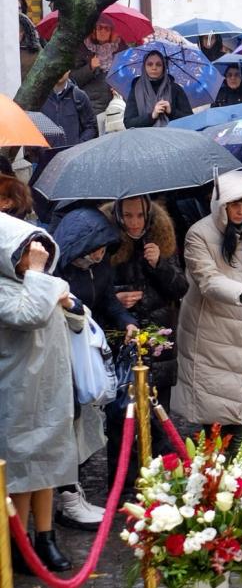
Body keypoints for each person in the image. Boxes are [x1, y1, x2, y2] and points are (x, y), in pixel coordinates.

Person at [0, 214, 84, 574]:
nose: (36, 259)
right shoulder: (9, 287)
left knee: (48, 467)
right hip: (17, 391)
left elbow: (81, 318)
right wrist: (38, 276)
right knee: (22, 470)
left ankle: (45, 538)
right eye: (28, 253)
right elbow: (28, 316)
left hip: (51, 389)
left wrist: (68, 303)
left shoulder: (42, 281)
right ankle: (19, 543)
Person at [173, 170, 242, 437]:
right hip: (209, 333)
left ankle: (236, 470)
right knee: (213, 411)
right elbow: (207, 280)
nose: (241, 211)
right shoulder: (198, 234)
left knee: (241, 409)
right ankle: (214, 471)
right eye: (235, 204)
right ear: (222, 204)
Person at [101, 195, 188, 493]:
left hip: (158, 340)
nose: (135, 222)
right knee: (120, 417)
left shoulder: (161, 237)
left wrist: (159, 264)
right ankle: (123, 482)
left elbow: (180, 287)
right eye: (128, 215)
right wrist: (117, 298)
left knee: (158, 413)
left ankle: (160, 479)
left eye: (140, 215)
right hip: (121, 341)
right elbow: (96, 291)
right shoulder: (107, 242)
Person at [49, 207, 124, 531]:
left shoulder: (100, 268)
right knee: (67, 425)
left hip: (86, 357)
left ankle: (72, 491)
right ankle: (68, 497)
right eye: (97, 247)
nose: (101, 254)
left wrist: (128, 322)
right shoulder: (61, 274)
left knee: (83, 423)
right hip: (61, 358)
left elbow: (108, 300)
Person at [124, 50, 193, 128]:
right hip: (144, 138)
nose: (154, 68)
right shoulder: (136, 90)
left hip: (172, 138)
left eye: (158, 64)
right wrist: (152, 116)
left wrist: (171, 111)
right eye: (150, 64)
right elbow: (128, 123)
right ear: (144, 67)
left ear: (164, 67)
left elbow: (191, 120)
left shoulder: (175, 89)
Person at [41, 71, 98, 147]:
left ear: (69, 70)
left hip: (72, 155)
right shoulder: (40, 97)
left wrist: (79, 146)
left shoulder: (79, 96)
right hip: (47, 156)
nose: (60, 72)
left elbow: (91, 127)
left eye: (63, 68)